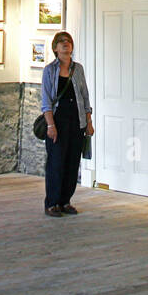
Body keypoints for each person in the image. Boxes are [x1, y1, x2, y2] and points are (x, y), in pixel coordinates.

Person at [40, 30, 94, 216]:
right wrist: (50, 125)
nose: (66, 44)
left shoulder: (77, 69)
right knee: (56, 163)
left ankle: (65, 201)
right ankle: (52, 202)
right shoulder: (50, 70)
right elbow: (46, 100)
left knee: (72, 162)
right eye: (61, 42)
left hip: (76, 121)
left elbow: (85, 96)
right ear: (55, 48)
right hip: (58, 121)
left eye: (68, 41)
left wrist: (88, 121)